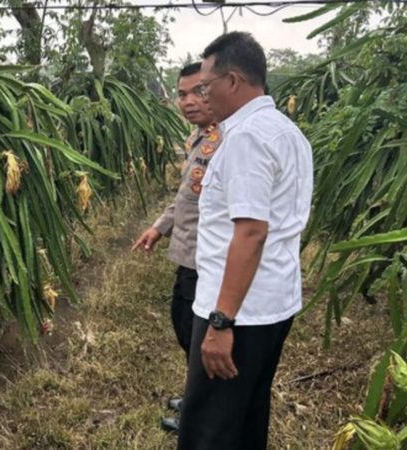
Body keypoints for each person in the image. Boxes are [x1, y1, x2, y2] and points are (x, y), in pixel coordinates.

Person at [176, 32, 313, 449]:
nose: (202, 95)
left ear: (232, 81)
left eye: (205, 85)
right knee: (246, 416)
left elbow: (251, 232)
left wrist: (221, 322)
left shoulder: (247, 138)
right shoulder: (286, 132)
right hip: (269, 304)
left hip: (239, 312)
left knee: (209, 429)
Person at [131, 62, 221, 432]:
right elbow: (186, 197)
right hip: (187, 255)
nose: (188, 101)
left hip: (207, 260)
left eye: (198, 92)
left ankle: (202, 415)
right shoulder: (197, 139)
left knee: (199, 339)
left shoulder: (227, 142)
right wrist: (159, 227)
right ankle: (198, 398)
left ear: (216, 89)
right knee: (186, 331)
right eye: (181, 94)